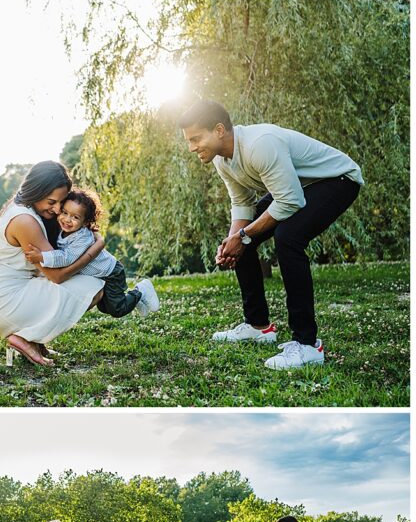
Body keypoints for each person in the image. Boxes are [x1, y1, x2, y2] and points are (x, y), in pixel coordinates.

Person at [179, 100, 364, 369]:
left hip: (337, 179)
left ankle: (308, 345)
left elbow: (290, 201)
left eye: (196, 139)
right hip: (297, 188)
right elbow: (241, 205)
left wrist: (242, 236)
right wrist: (233, 241)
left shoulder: (259, 144)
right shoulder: (223, 160)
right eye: (188, 141)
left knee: (288, 237)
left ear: (219, 130)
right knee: (243, 240)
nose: (192, 147)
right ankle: (258, 326)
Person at [0, 160, 106, 367]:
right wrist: (96, 247)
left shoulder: (25, 207)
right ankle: (24, 338)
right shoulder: (24, 221)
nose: (56, 210)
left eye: (60, 204)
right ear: (36, 191)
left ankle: (34, 340)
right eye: (51, 201)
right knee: (93, 287)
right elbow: (57, 275)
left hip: (6, 293)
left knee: (88, 285)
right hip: (4, 300)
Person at [23, 188, 160, 318]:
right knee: (104, 308)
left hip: (111, 273)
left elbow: (67, 257)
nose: (67, 219)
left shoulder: (82, 237)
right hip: (99, 274)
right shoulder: (62, 230)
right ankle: (137, 299)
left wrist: (41, 257)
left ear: (85, 222)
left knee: (117, 309)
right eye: (65, 212)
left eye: (75, 217)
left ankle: (140, 291)